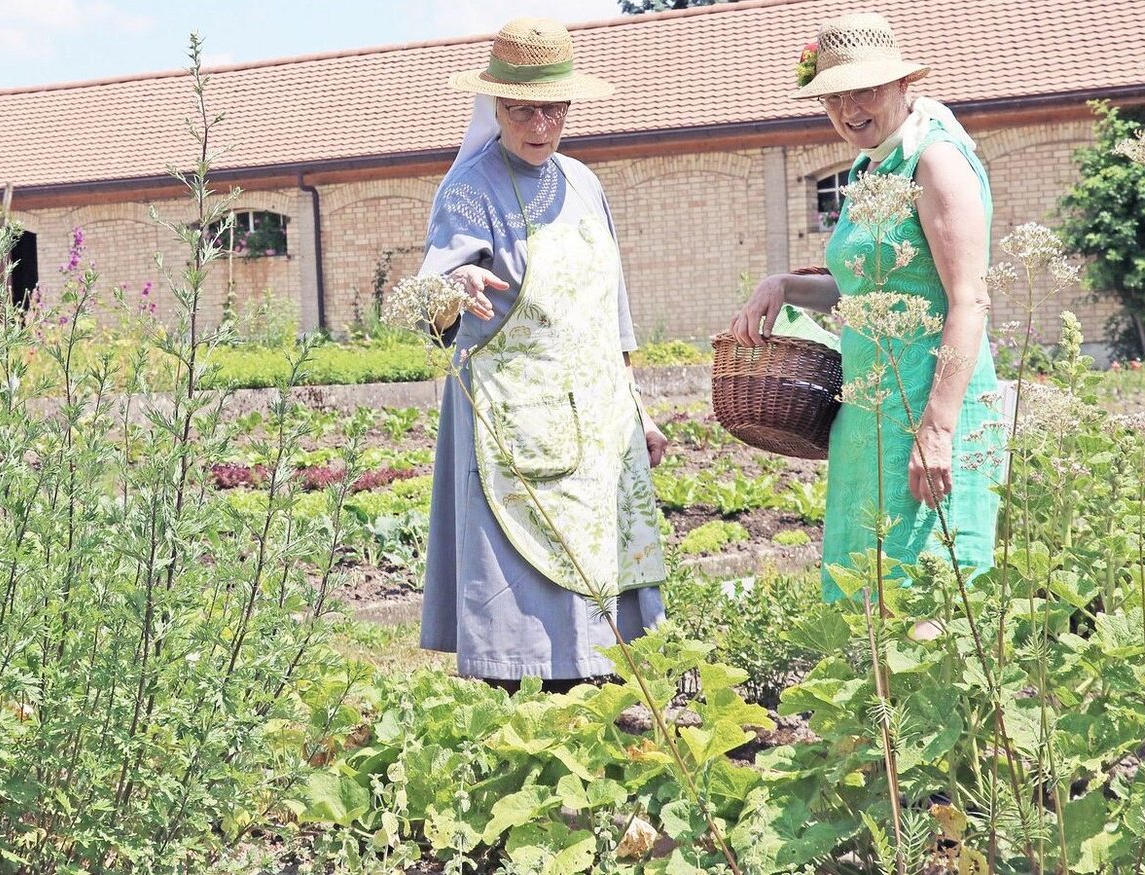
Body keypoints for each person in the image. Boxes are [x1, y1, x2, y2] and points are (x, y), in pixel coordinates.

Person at [416, 18, 668, 692]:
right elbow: (433, 301)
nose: (540, 123)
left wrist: (638, 413)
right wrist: (453, 287)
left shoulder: (585, 183)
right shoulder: (470, 191)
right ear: (494, 106)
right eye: (523, 109)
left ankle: (604, 711)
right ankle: (529, 715)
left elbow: (610, 317)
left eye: (554, 107)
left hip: (599, 426)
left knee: (607, 606)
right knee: (530, 611)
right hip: (516, 430)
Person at [729, 11, 1003, 603]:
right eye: (833, 96)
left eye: (866, 90)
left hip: (928, 408)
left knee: (928, 592)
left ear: (904, 86)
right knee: (865, 600)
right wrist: (784, 284)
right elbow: (862, 286)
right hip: (868, 411)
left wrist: (938, 429)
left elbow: (969, 299)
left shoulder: (937, 161)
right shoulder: (869, 166)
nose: (849, 108)